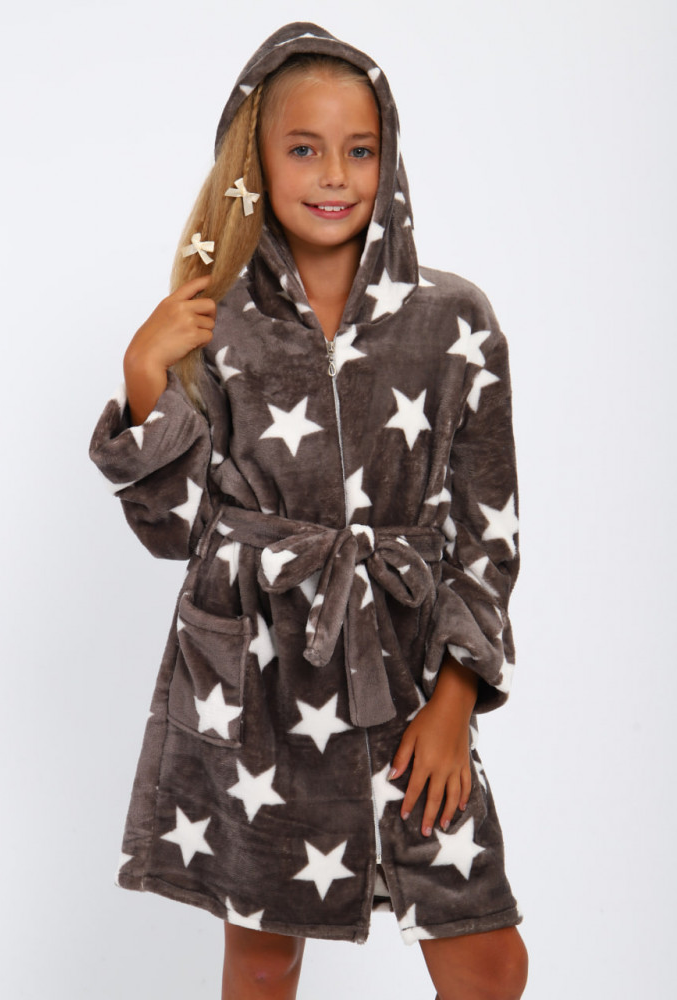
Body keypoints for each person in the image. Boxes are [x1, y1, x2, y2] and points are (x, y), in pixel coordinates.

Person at [90, 22, 528, 1000]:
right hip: (254, 679)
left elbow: (487, 535)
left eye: (359, 149)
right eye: (304, 148)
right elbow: (172, 529)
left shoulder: (455, 320)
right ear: (256, 161)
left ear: (389, 158)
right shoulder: (214, 321)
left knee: (488, 959)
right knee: (261, 957)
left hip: (406, 676)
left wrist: (455, 702)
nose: (335, 175)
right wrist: (144, 374)